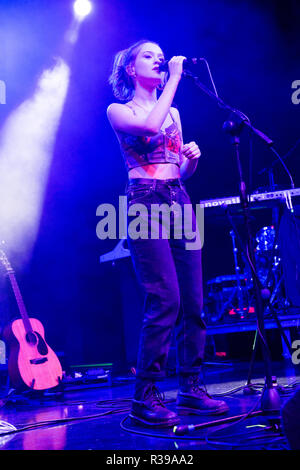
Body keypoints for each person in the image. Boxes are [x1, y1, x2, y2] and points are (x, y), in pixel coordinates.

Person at [107, 39, 228, 427]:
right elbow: (146, 126)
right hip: (145, 201)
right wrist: (174, 76)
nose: (159, 59)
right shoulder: (119, 110)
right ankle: (145, 396)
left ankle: (191, 387)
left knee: (192, 299)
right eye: (148, 55)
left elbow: (177, 168)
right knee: (165, 298)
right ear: (131, 69)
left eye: (161, 56)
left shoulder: (172, 112)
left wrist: (190, 162)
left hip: (179, 196)